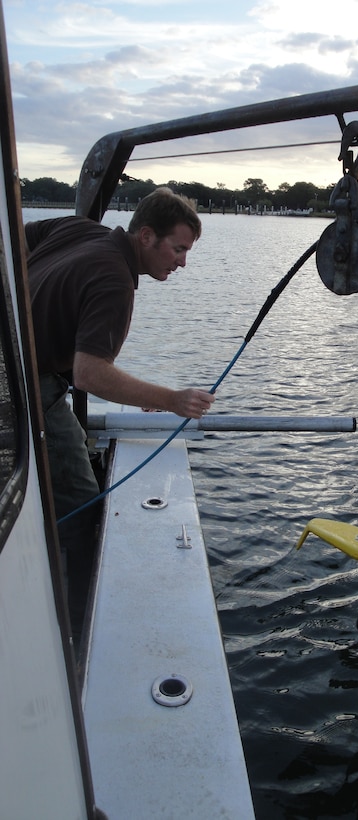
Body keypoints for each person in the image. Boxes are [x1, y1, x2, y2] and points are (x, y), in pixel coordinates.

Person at [25, 187, 215, 643]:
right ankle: (75, 635)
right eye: (179, 248)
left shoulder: (78, 229)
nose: (183, 263)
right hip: (32, 392)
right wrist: (172, 399)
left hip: (11, 367)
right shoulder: (114, 279)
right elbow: (89, 374)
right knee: (85, 510)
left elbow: (15, 238)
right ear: (146, 236)